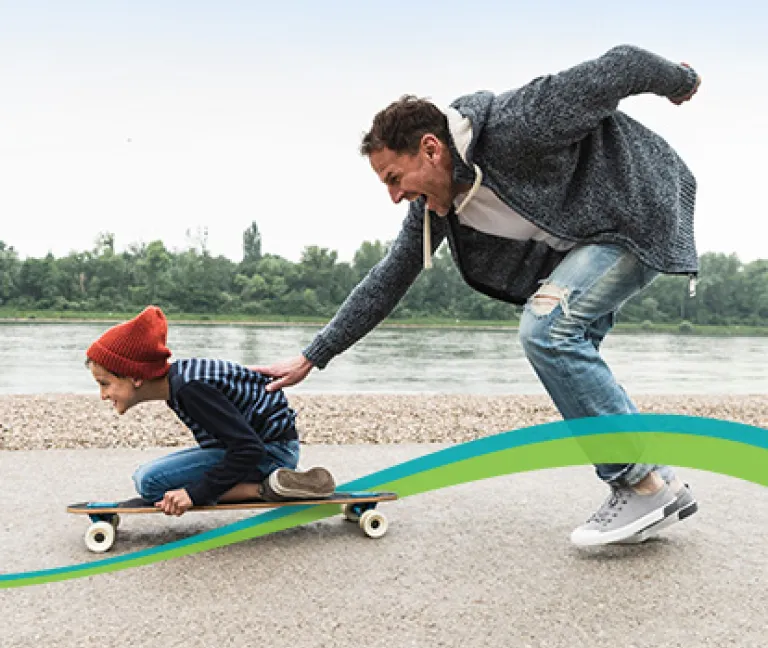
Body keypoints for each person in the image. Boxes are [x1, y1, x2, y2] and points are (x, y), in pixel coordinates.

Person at [85, 305, 336, 516]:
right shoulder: (180, 381)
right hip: (265, 445)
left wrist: (194, 494)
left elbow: (249, 449)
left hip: (272, 452)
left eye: (105, 384)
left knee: (150, 482)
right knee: (146, 477)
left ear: (135, 377)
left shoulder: (189, 389)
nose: (103, 395)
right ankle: (274, 480)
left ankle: (267, 487)